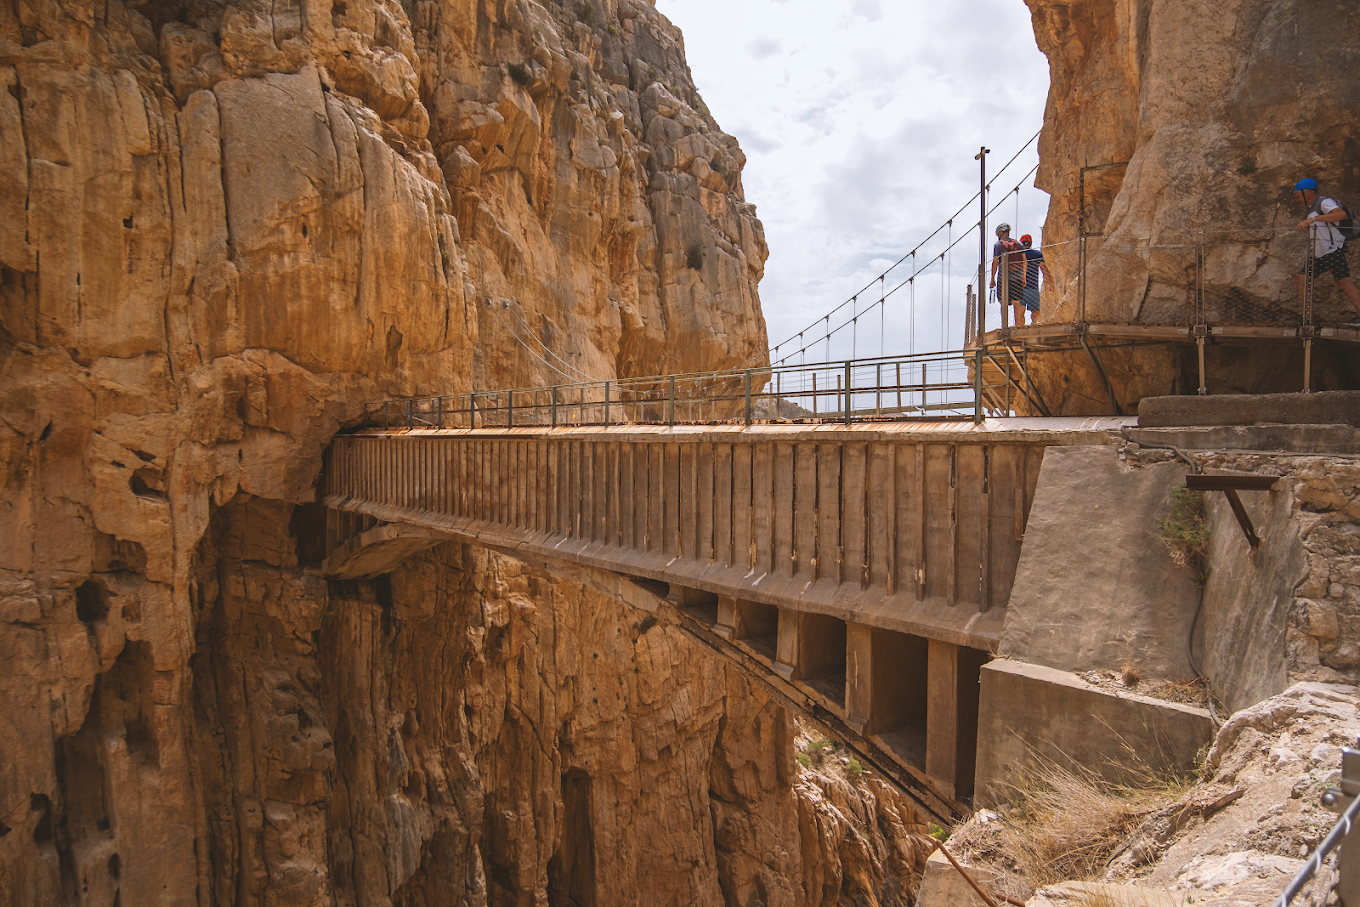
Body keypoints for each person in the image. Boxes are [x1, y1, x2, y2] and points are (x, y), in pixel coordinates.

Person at [1293, 177, 1360, 326]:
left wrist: (1313, 220)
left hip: (1333, 250)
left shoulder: (1323, 202)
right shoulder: (1312, 208)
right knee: (1302, 278)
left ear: (1308, 192)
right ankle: (1307, 318)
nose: (1296, 200)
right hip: (1320, 254)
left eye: (1298, 196)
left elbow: (1340, 214)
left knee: (1343, 281)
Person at [988, 223, 1026, 326]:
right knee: (1017, 302)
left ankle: (1004, 325)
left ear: (1000, 233)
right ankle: (1018, 325)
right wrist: (1023, 276)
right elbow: (1024, 261)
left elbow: (995, 261)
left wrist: (992, 279)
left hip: (1004, 278)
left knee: (1003, 302)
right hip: (1017, 277)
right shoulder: (1019, 244)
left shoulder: (998, 244)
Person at [1019, 234, 1051, 326]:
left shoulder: (1018, 255)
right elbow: (1044, 268)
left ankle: (1021, 328)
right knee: (1036, 309)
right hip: (1033, 285)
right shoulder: (1037, 254)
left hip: (1019, 286)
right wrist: (1050, 283)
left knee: (1020, 311)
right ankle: (1034, 323)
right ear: (1030, 243)